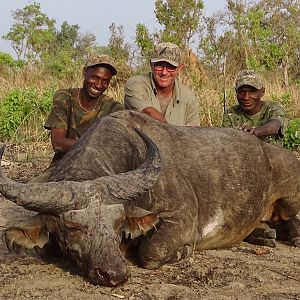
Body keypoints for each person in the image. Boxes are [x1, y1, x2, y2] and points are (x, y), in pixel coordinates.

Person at [30, 54, 123, 183]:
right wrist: (97, 146)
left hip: (99, 168)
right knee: (31, 191)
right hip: (63, 164)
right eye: (95, 77)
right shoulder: (64, 97)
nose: (99, 85)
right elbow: (58, 144)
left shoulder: (114, 107)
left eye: (105, 81)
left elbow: (115, 148)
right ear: (85, 72)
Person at [124, 42, 200, 126]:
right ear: (151, 65)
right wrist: (173, 133)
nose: (164, 72)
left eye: (170, 67)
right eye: (159, 66)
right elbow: (147, 112)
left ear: (179, 69)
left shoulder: (188, 97)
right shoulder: (135, 84)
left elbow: (193, 132)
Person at [222, 69, 285, 146]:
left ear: (262, 92)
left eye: (252, 92)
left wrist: (255, 131)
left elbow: (275, 125)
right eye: (242, 92)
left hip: (271, 155)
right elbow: (226, 141)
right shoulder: (230, 113)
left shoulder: (273, 108)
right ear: (236, 92)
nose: (246, 97)